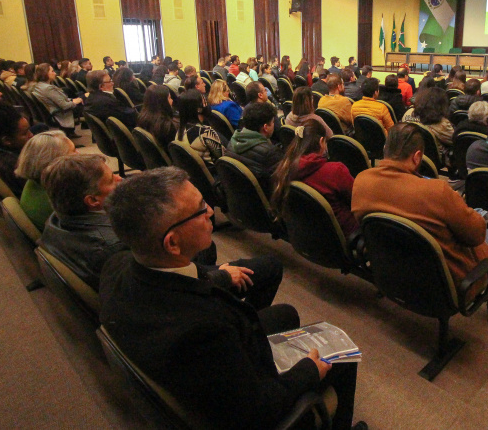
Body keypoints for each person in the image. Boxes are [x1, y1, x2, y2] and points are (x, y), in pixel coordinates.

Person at [99, 167, 359, 429]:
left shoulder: (115, 267)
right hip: (252, 401)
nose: (211, 211)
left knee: (286, 314)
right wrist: (307, 371)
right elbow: (259, 410)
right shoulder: (205, 329)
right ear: (173, 243)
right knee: (342, 359)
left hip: (215, 362)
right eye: (201, 210)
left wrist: (217, 276)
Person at [351, 123, 488, 325]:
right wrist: (459, 206)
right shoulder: (438, 191)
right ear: (417, 157)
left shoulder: (361, 180)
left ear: (386, 150)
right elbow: (476, 236)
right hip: (445, 281)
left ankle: (481, 214)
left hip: (391, 269)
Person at [272, 120, 359, 238]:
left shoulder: (284, 168)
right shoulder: (336, 171)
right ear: (322, 142)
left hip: (308, 233)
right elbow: (357, 203)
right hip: (343, 233)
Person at [15, 129, 75, 230]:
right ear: (54, 162)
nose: (79, 154)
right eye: (73, 151)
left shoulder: (36, 181)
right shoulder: (61, 198)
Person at [228, 101, 284, 193]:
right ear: (265, 127)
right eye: (273, 122)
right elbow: (281, 186)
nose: (274, 124)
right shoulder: (271, 153)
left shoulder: (231, 143)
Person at [177, 89, 226, 165]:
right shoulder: (206, 132)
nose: (206, 104)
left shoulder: (179, 131)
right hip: (213, 173)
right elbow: (223, 158)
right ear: (198, 109)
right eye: (204, 102)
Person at [402, 87, 454, 159]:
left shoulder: (408, 113)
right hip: (434, 160)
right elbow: (454, 141)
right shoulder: (442, 123)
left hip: (408, 156)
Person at [32, 63, 83, 134]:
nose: (55, 73)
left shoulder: (39, 85)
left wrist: (72, 100)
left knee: (82, 97)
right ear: (45, 73)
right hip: (60, 114)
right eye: (52, 71)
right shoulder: (48, 88)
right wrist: (76, 101)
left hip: (53, 112)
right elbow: (65, 106)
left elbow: (60, 100)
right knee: (89, 104)